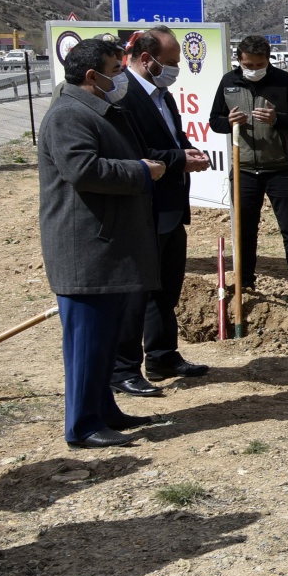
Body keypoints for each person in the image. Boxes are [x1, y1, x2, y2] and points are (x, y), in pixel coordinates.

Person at [38, 37, 165, 448]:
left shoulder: (99, 110)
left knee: (105, 342)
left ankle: (104, 411)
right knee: (87, 344)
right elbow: (84, 170)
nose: (120, 79)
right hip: (86, 249)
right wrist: (141, 171)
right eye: (115, 71)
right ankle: (83, 425)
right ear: (92, 76)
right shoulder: (68, 115)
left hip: (107, 246)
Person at [111, 27, 212, 398]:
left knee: (166, 289)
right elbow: (134, 153)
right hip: (142, 208)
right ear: (145, 58)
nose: (174, 69)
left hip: (170, 207)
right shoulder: (123, 95)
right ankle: (123, 368)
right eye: (169, 62)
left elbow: (172, 139)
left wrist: (189, 151)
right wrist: (179, 159)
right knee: (136, 292)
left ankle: (162, 355)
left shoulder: (162, 95)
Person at [209, 34, 288, 302]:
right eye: (249, 65)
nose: (255, 70)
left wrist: (277, 119)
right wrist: (229, 122)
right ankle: (246, 285)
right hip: (244, 170)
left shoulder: (284, 80)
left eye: (260, 65)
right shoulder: (228, 82)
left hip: (281, 169)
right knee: (245, 231)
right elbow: (214, 121)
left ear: (268, 60)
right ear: (239, 60)